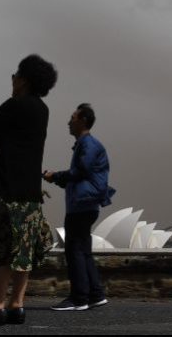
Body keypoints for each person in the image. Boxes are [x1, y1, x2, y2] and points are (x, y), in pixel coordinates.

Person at [0, 55, 57, 326]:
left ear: (24, 80)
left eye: (15, 75)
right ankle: (17, 304)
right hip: (30, 190)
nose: (12, 80)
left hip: (6, 187)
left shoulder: (13, 105)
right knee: (24, 248)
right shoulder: (43, 110)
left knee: (3, 247)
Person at [43, 104, 115, 311]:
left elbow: (81, 172)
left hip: (82, 205)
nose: (68, 121)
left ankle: (78, 298)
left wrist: (55, 176)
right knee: (83, 250)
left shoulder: (89, 145)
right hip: (86, 204)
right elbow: (81, 175)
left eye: (72, 117)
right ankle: (95, 294)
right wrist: (56, 178)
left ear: (83, 120)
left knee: (74, 250)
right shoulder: (86, 145)